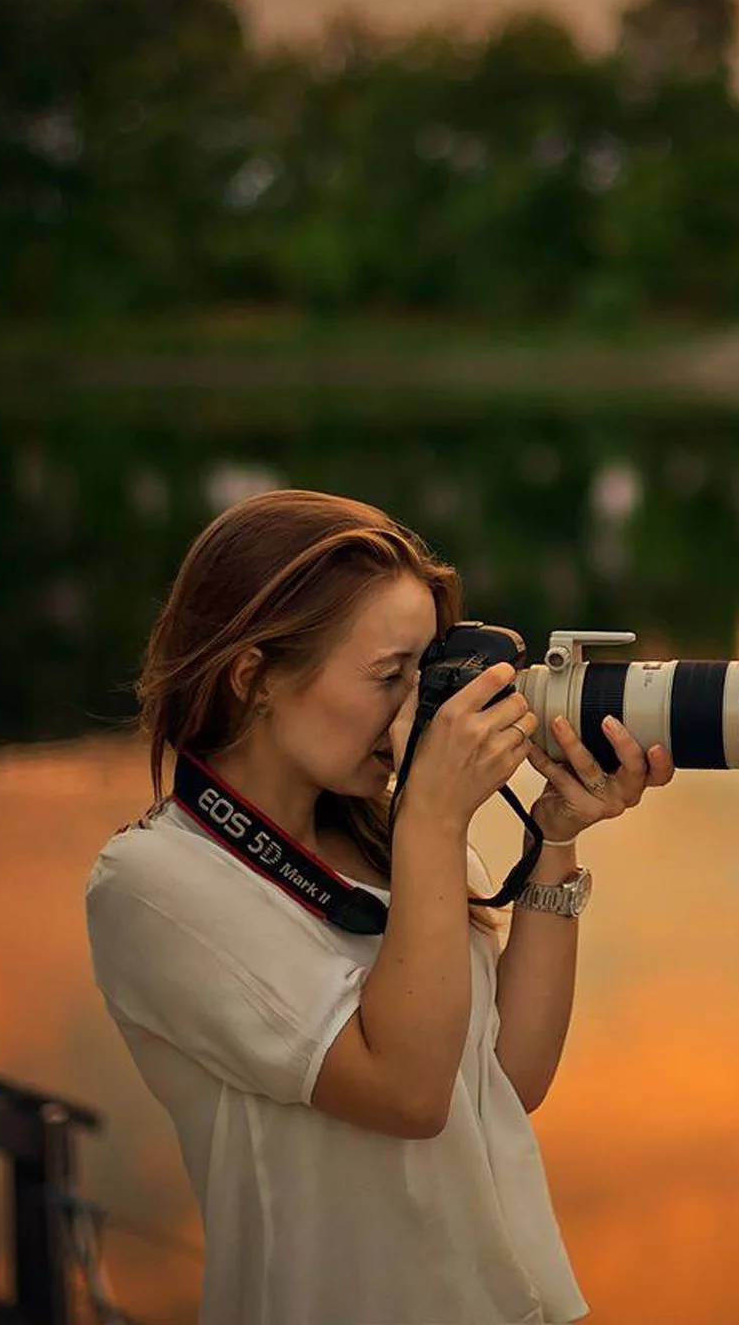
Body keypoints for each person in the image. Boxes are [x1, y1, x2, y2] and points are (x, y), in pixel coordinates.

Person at [85, 489, 672, 1323]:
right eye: (389, 676)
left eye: (425, 675)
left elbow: (507, 1080)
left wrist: (555, 833)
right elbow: (407, 1093)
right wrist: (432, 817)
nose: (414, 712)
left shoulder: (394, 839)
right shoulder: (156, 885)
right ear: (254, 677)